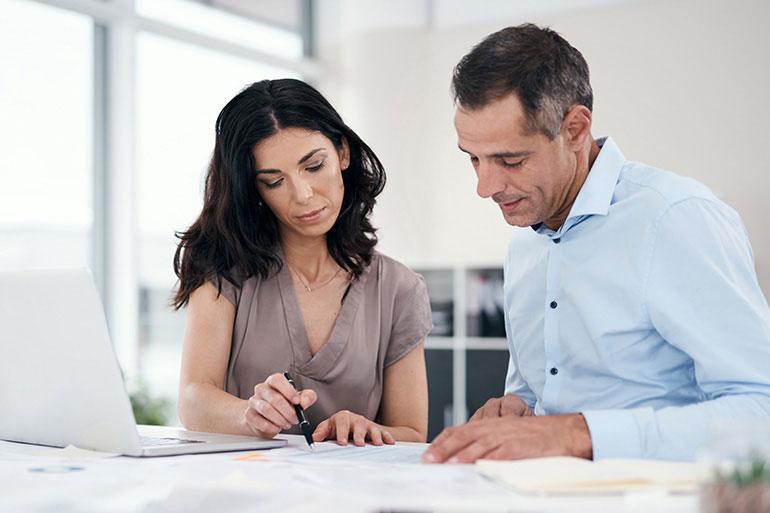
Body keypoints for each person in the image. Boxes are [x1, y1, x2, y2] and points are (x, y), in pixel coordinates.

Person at [423, 24, 770, 463]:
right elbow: (535, 396)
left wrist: (577, 433)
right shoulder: (526, 246)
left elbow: (760, 411)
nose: (485, 186)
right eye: (473, 158)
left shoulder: (675, 218)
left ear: (575, 128)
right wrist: (516, 410)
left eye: (510, 160)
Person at [174, 78, 431, 446]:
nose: (303, 195)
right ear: (255, 190)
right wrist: (248, 414)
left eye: (313, 166)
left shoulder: (398, 289)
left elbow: (412, 433)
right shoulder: (225, 269)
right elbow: (194, 399)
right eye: (274, 181)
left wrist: (365, 429)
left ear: (342, 153)